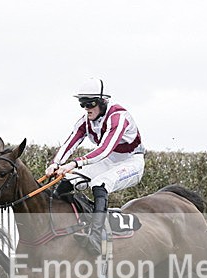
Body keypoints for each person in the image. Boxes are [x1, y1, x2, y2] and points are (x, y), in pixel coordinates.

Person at [44, 78, 145, 254]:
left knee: (100, 184)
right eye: (82, 104)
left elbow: (104, 149)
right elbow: (70, 142)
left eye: (90, 103)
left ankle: (96, 237)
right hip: (108, 161)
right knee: (69, 180)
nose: (86, 108)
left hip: (131, 162)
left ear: (103, 102)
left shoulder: (118, 117)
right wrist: (55, 163)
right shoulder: (85, 120)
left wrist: (74, 163)